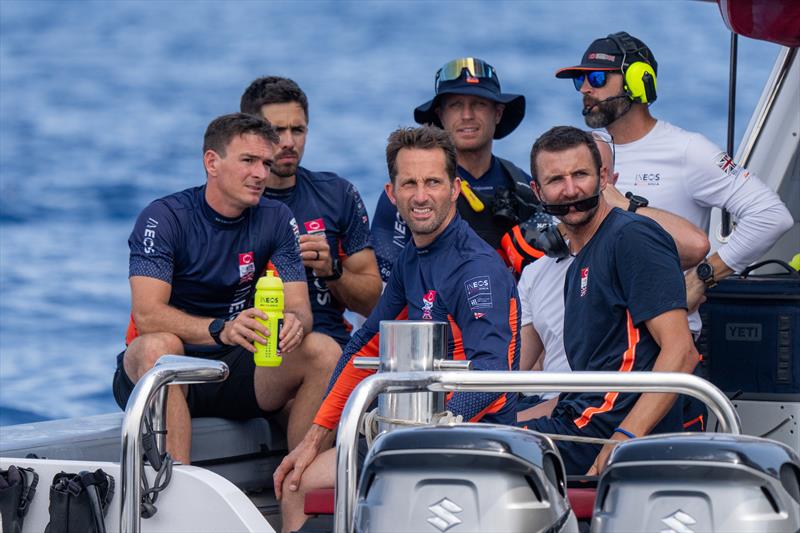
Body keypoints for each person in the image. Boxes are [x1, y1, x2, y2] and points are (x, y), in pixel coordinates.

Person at [273, 126, 520, 532]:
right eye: (409, 183)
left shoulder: (475, 268)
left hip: (476, 440)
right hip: (413, 433)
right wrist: (314, 439)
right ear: (392, 194)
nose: (421, 196)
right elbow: (362, 347)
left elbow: (491, 376)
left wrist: (425, 434)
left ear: (455, 189)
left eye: (433, 182)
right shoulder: (413, 258)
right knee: (297, 481)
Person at [112, 113, 337, 463]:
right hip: (163, 366)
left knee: (323, 350)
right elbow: (147, 315)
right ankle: (179, 490)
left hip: (235, 367)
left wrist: (294, 324)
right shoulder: (164, 217)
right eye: (248, 161)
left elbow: (300, 311)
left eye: (266, 163)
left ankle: (303, 486)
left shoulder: (276, 218)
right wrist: (222, 329)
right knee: (161, 344)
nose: (261, 174)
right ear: (212, 162)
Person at [555, 31, 793, 327]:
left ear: (639, 79)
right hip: (592, 338)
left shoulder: (687, 149)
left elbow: (770, 216)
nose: (585, 89)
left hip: (663, 339)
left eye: (598, 79)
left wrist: (702, 277)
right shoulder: (580, 154)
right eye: (580, 81)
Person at [518, 126, 699, 475]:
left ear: (603, 177)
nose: (571, 189)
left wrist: (622, 439)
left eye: (581, 174)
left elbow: (681, 351)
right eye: (556, 180)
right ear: (537, 191)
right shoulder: (576, 266)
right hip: (579, 421)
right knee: (473, 434)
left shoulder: (631, 237)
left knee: (479, 452)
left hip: (609, 436)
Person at [240, 76, 382, 356]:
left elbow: (373, 303)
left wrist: (332, 270)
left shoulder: (337, 194)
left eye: (298, 130)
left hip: (327, 342)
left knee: (322, 351)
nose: (289, 142)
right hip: (250, 347)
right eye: (277, 130)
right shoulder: (230, 200)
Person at [371, 57, 540, 281]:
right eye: (455, 105)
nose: (467, 115)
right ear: (440, 115)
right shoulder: (408, 194)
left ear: (498, 113)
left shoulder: (524, 189)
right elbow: (383, 286)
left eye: (479, 104)